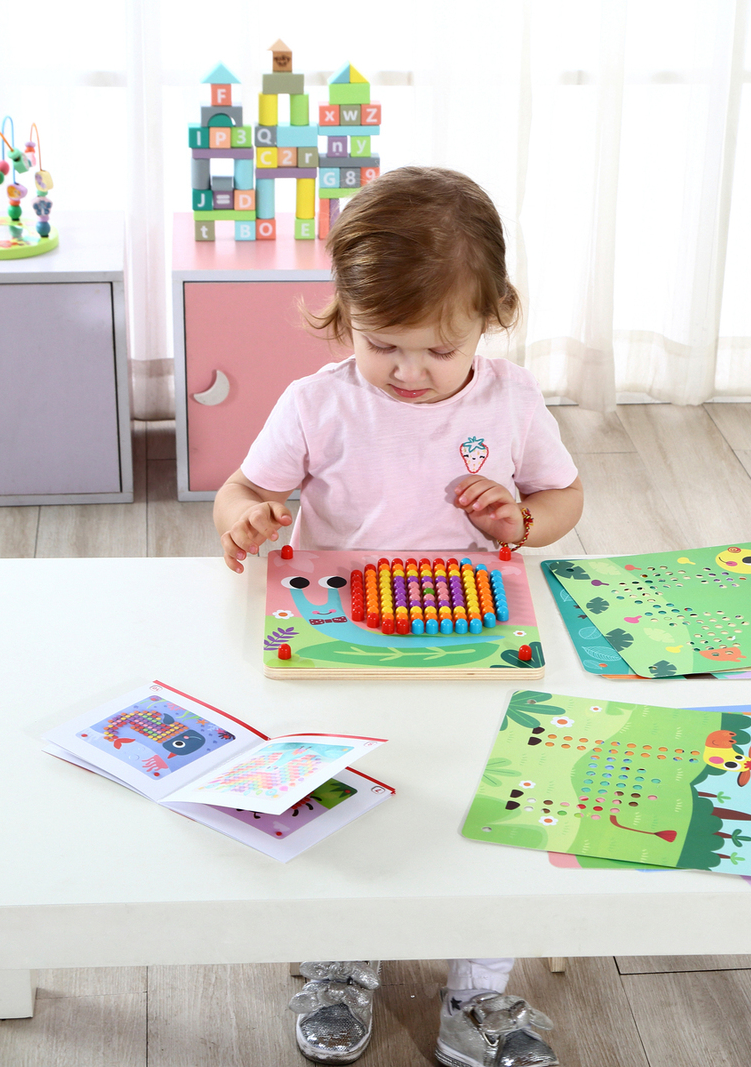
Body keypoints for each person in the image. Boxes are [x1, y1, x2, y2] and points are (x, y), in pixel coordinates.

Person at [212, 167, 583, 1067]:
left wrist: (521, 522)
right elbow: (243, 488)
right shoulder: (318, 403)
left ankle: (478, 989)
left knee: (497, 797)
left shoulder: (510, 399)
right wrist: (247, 519)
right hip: (344, 647)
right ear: (344, 314)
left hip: (474, 638)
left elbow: (563, 497)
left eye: (440, 349)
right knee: (345, 797)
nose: (410, 371)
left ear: (493, 315)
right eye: (383, 344)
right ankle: (340, 963)